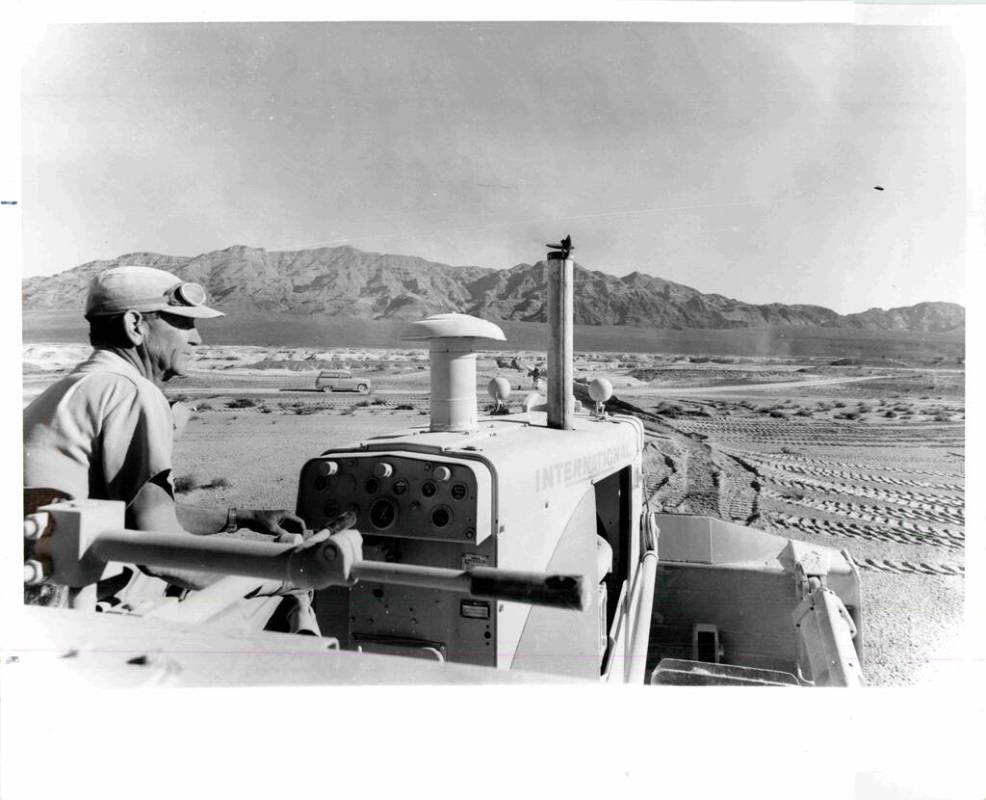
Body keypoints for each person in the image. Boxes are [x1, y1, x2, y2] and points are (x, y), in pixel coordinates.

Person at [23, 266, 315, 630]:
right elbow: (161, 552)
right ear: (136, 326)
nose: (197, 339)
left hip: (40, 590)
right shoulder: (132, 392)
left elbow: (135, 515)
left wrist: (240, 518)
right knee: (289, 596)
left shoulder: (76, 387)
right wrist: (285, 570)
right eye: (183, 322)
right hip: (71, 609)